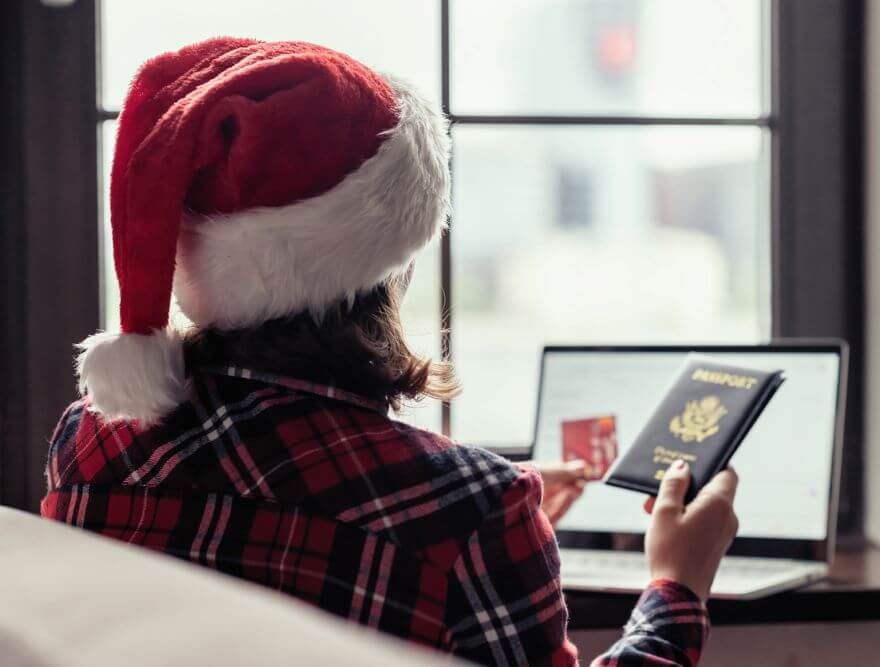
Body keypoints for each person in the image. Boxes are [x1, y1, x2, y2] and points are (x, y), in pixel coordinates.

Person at [40, 38, 739, 666]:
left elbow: (273, 493)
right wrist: (676, 585)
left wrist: (489, 514)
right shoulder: (477, 512)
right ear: (393, 265)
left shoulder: (89, 444)